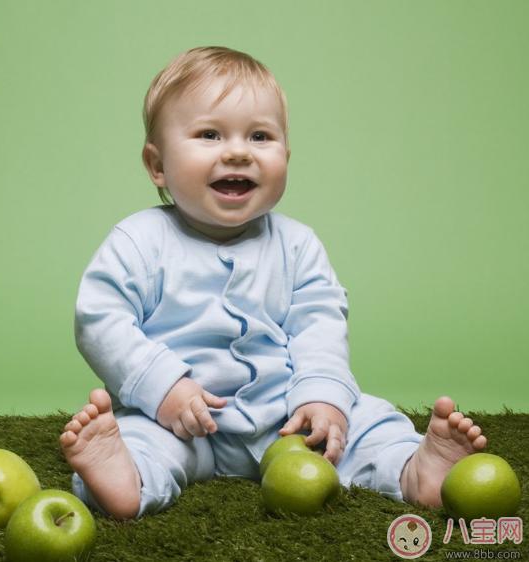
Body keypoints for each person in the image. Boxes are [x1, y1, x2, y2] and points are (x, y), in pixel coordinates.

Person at [59, 46, 487, 520]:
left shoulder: (297, 244)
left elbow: (319, 324)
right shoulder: (139, 241)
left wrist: (321, 396)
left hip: (287, 419)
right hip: (180, 423)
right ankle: (124, 478)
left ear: (286, 154)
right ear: (157, 165)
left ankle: (414, 467)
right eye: (209, 134)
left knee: (366, 421)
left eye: (260, 136)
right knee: (143, 442)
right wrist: (164, 389)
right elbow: (100, 320)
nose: (239, 151)